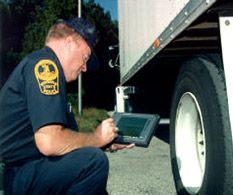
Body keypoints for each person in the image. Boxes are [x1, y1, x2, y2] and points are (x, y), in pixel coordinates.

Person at [0, 17, 134, 194]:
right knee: (93, 162)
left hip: (28, 171)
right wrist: (96, 139)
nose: (85, 68)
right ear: (69, 42)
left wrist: (103, 143)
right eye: (85, 57)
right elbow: (49, 142)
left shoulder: (43, 68)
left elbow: (64, 143)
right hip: (17, 176)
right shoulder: (45, 66)